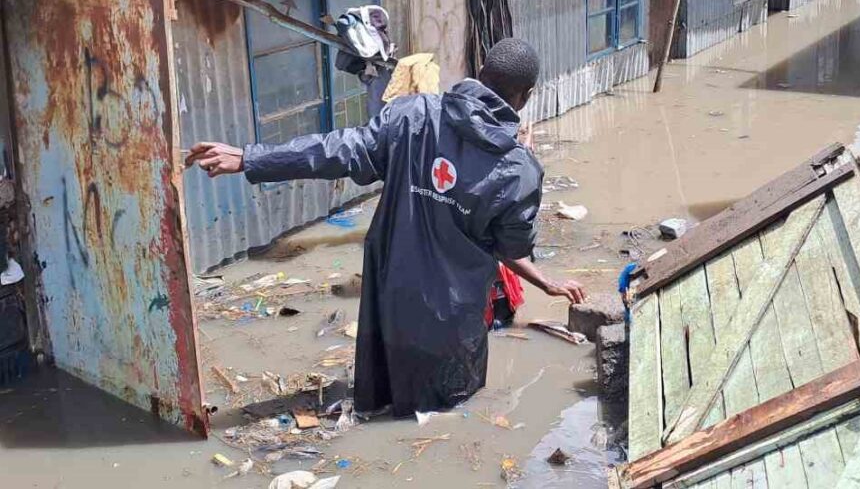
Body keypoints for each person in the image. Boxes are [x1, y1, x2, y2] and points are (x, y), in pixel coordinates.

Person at [186, 38, 586, 417]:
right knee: (447, 416)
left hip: (388, 301)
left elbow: (336, 150)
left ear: (480, 71)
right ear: (527, 95)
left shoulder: (411, 115)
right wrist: (545, 281)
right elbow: (509, 247)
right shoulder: (518, 169)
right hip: (452, 320)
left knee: (381, 398)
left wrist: (251, 158)